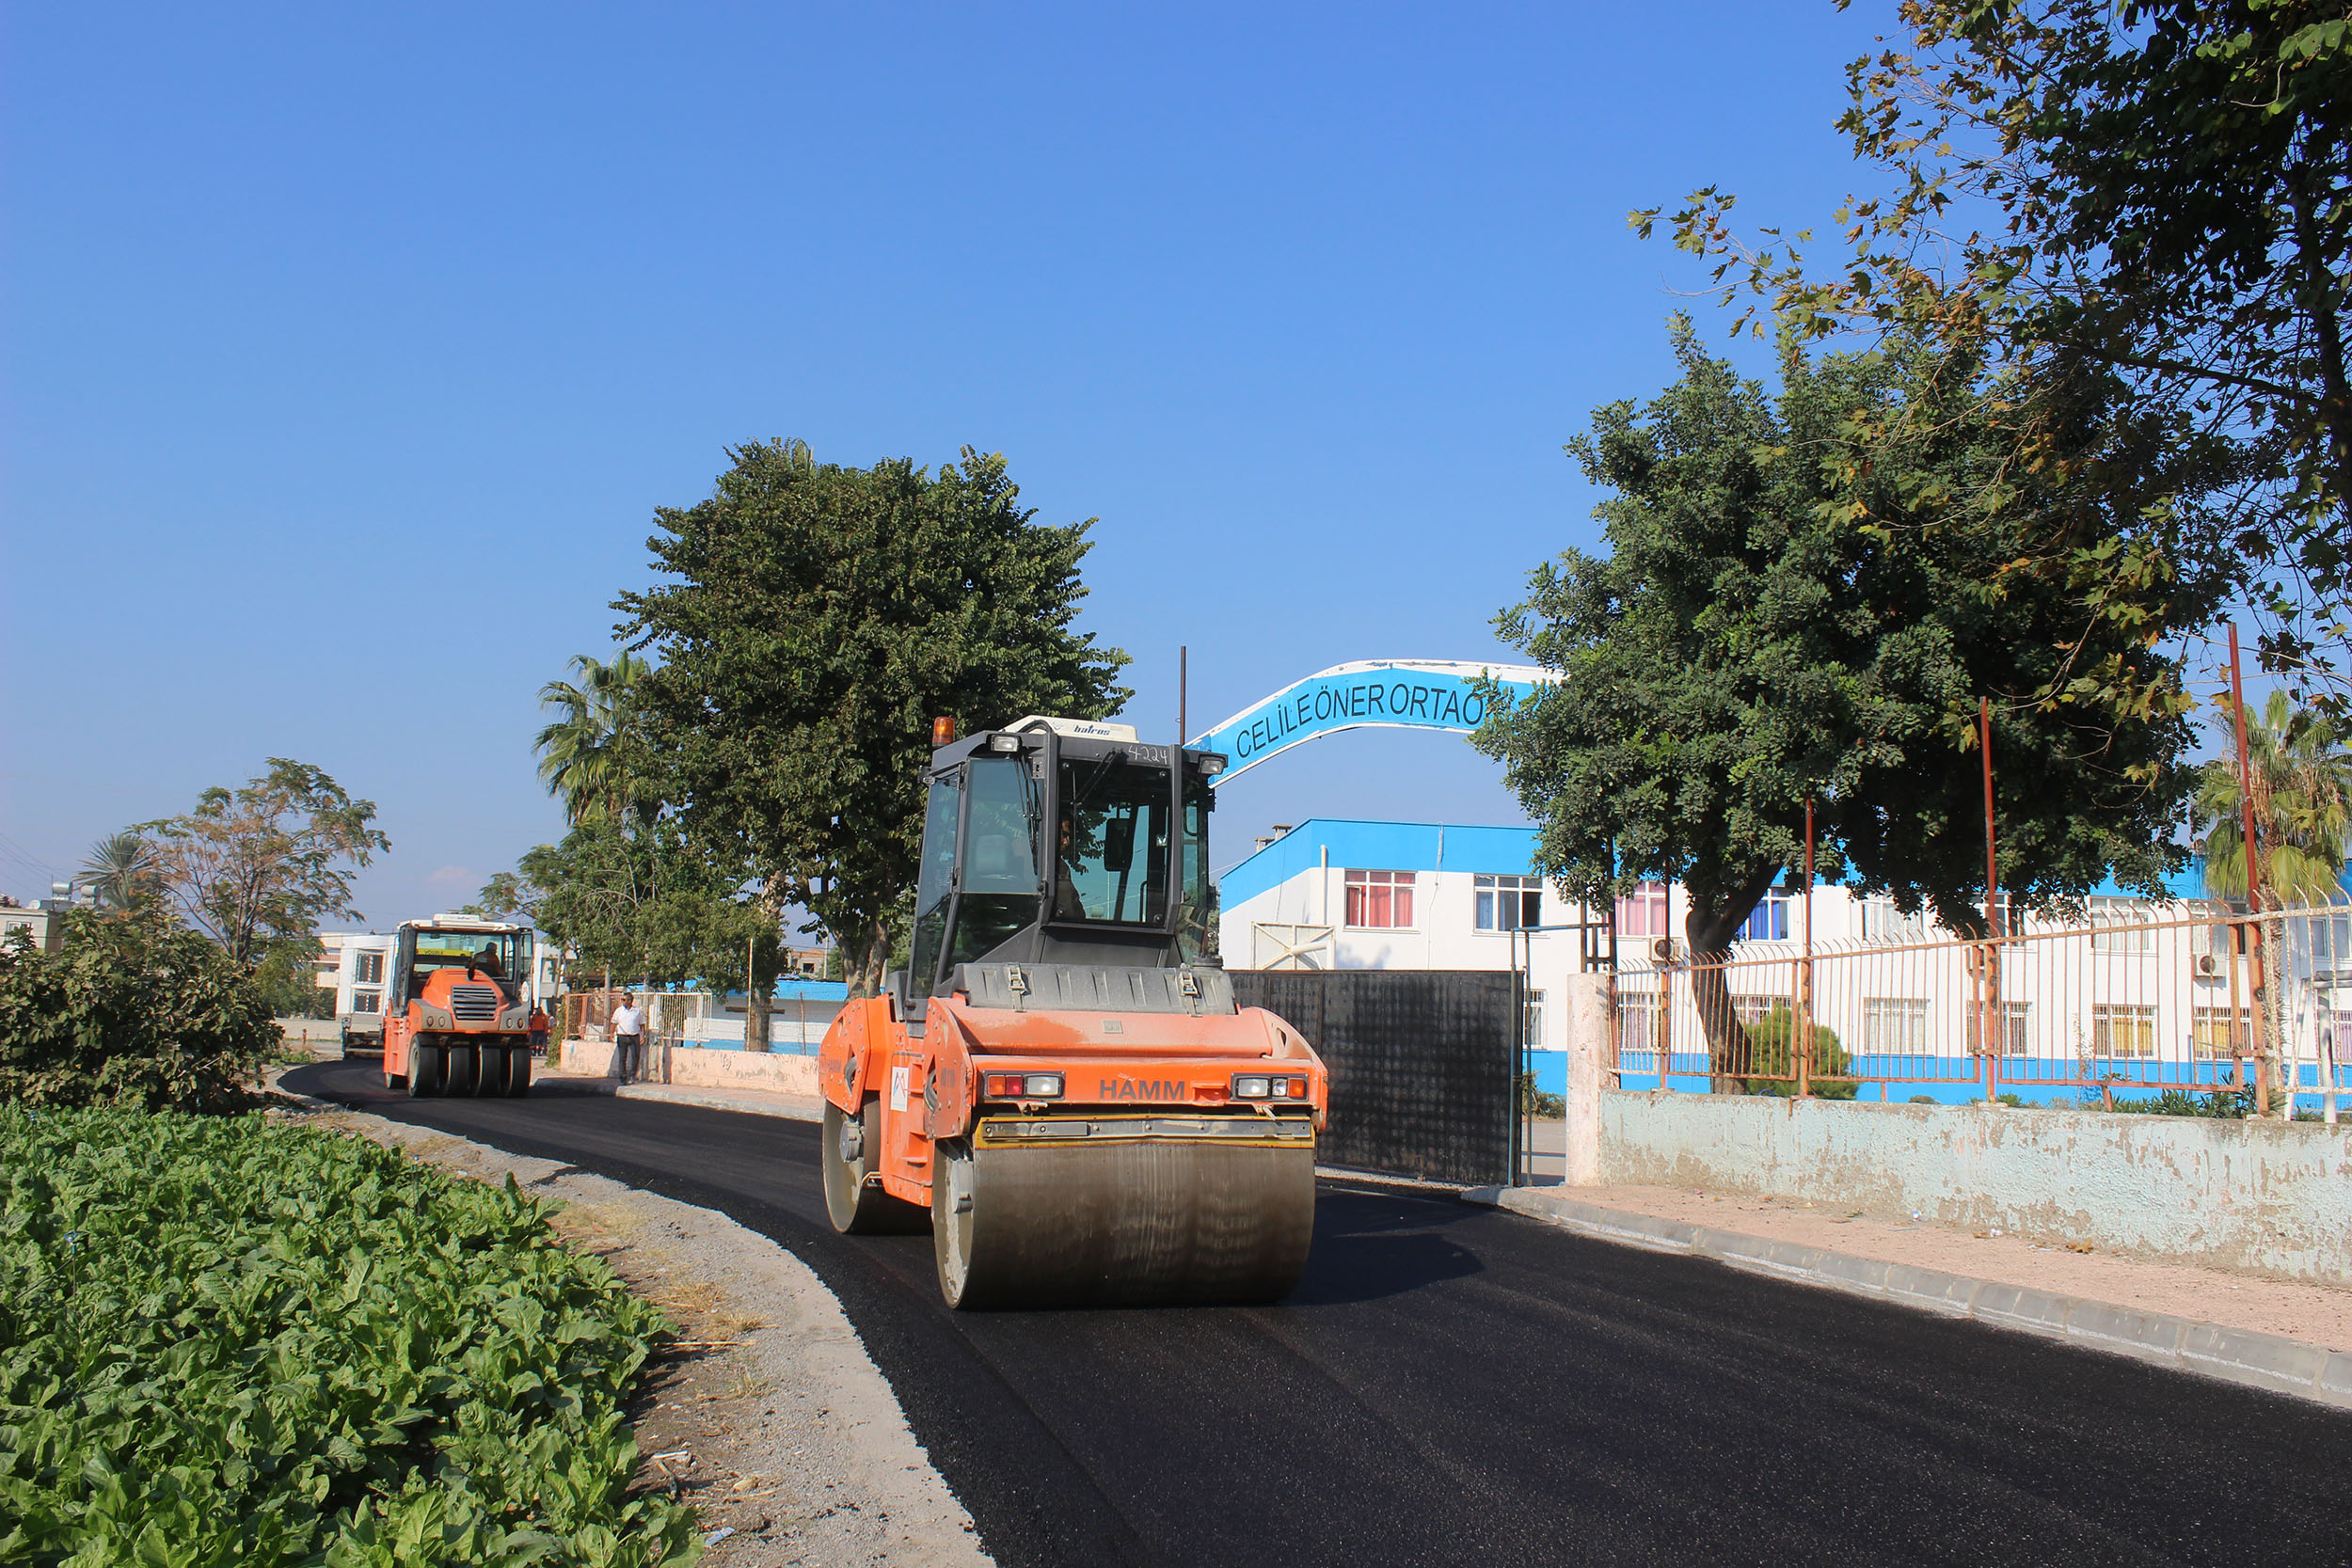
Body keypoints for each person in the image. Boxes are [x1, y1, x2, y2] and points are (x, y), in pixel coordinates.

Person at [611, 993, 645, 1084]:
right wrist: (611, 1034)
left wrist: (642, 1035)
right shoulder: (619, 1011)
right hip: (622, 1036)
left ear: (629, 1001)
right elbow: (614, 1023)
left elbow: (642, 1024)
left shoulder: (637, 1011)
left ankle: (632, 1075)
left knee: (635, 1056)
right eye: (622, 999)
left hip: (634, 1036)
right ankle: (623, 1076)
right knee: (622, 1057)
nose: (622, 1001)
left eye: (624, 999)